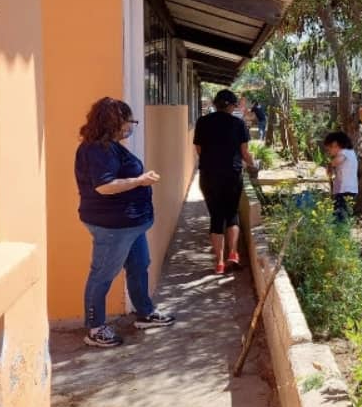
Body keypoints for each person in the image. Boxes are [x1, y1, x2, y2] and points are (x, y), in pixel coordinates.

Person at [75, 97, 176, 347]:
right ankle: (95, 327)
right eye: (129, 121)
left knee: (139, 266)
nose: (131, 126)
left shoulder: (111, 146)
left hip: (130, 225)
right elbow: (105, 186)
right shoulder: (97, 150)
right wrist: (140, 181)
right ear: (115, 122)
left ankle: (144, 313)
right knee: (102, 275)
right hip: (112, 227)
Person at [193, 89, 258, 274]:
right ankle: (233, 253)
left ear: (215, 103)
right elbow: (245, 153)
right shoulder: (238, 123)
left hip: (209, 175)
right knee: (231, 214)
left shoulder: (202, 122)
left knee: (216, 216)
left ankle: (219, 263)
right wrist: (253, 165)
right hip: (232, 174)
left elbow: (199, 149)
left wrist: (212, 161)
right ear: (231, 105)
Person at [323, 131, 358, 223]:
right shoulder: (350, 153)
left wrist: (330, 164)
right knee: (341, 215)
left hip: (345, 190)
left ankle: (341, 233)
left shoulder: (345, 153)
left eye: (329, 149)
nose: (329, 153)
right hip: (346, 190)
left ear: (335, 144)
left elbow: (336, 162)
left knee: (340, 216)